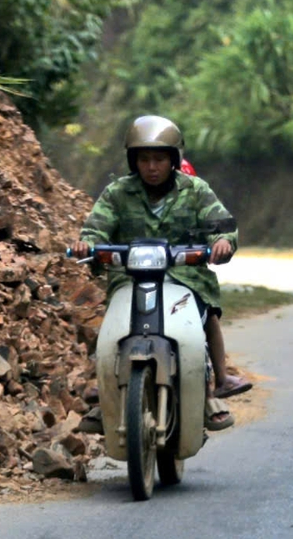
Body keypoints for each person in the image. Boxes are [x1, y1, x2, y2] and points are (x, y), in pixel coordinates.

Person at [71, 115, 253, 433]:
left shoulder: (195, 189)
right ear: (133, 161)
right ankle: (107, 396)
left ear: (173, 160)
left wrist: (222, 241)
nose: (152, 167)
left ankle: (213, 387)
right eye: (144, 159)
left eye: (159, 159)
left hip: (186, 275)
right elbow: (97, 224)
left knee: (204, 316)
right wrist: (87, 243)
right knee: (115, 323)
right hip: (131, 275)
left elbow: (221, 222)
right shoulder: (118, 192)